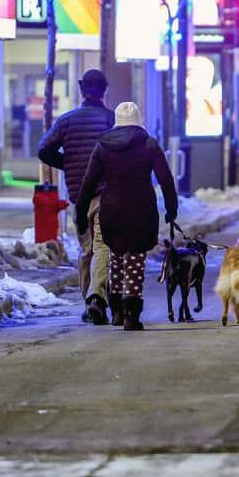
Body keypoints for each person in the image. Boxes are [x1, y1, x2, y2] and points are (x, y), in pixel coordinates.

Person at [75, 102, 178, 331]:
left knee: (115, 258)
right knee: (135, 261)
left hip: (111, 209)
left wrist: (81, 214)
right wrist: (172, 208)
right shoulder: (149, 144)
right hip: (141, 210)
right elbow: (166, 179)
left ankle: (117, 312)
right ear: (138, 120)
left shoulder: (103, 146)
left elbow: (88, 182)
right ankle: (132, 314)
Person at [37, 69, 115, 325]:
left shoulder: (67, 120)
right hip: (106, 194)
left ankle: (90, 301)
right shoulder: (110, 120)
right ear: (105, 89)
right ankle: (96, 299)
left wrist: (67, 164)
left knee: (87, 250)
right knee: (103, 247)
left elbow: (44, 150)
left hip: (78, 196)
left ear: (82, 88)